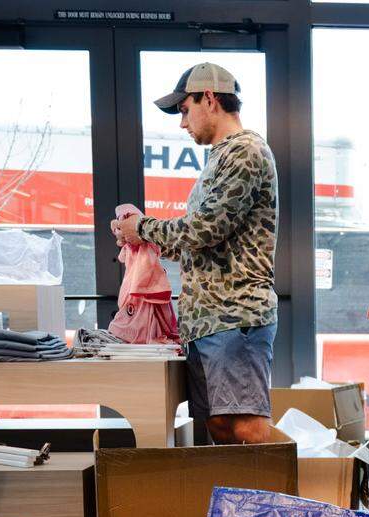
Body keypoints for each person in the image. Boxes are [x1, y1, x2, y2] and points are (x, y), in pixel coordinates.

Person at [111, 62, 278, 444]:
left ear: (209, 98)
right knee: (220, 427)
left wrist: (145, 228)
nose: (182, 123)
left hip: (235, 316)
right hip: (207, 322)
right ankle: (234, 506)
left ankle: (273, 507)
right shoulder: (219, 159)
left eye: (184, 110)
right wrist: (140, 234)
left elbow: (205, 228)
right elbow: (196, 240)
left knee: (246, 429)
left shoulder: (246, 152)